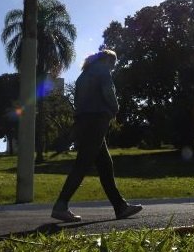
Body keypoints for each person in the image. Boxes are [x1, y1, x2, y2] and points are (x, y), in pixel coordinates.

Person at [51, 49, 142, 222]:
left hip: (84, 121)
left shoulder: (83, 75)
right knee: (83, 163)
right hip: (97, 120)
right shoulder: (102, 71)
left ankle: (120, 207)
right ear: (107, 60)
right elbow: (108, 92)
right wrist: (115, 109)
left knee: (105, 165)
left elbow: (78, 101)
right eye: (113, 63)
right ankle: (60, 206)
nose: (113, 67)